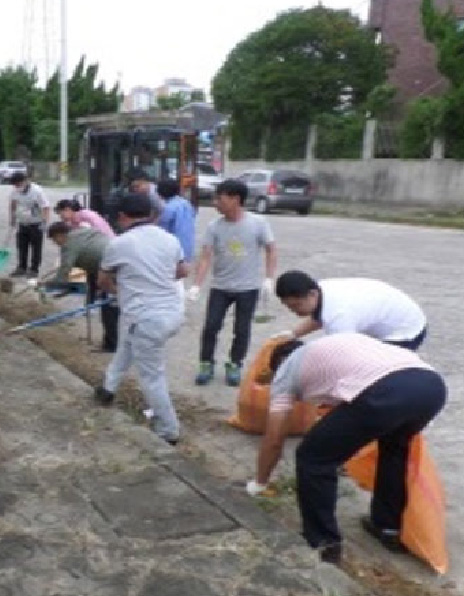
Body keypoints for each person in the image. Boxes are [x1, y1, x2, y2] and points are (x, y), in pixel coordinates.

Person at [248, 333, 447, 564]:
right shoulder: (333, 350)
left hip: (386, 390)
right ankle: (387, 527)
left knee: (314, 458)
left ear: (279, 363)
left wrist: (260, 483)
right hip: (431, 388)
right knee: (394, 451)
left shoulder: (285, 372)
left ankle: (323, 543)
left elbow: (274, 439)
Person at [93, 193, 187, 444]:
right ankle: (107, 389)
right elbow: (181, 271)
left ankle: (169, 430)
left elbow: (103, 281)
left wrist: (120, 290)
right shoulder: (170, 239)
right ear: (151, 215)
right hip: (172, 313)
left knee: (152, 376)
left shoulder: (119, 244)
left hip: (145, 318)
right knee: (126, 345)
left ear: (123, 217)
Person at [188, 178, 277, 387]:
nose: (215, 203)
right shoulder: (214, 227)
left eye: (219, 198)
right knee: (211, 326)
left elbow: (271, 249)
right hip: (220, 286)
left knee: (242, 329)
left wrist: (269, 279)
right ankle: (206, 363)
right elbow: (206, 256)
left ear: (235, 199)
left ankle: (235, 364)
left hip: (248, 288)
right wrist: (196, 285)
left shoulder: (257, 223)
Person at [274, 271, 428, 351]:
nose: (293, 311)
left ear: (312, 294)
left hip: (405, 331)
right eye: (289, 307)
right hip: (391, 314)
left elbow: (345, 354)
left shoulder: (339, 316)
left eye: (296, 306)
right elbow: (318, 317)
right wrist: (293, 334)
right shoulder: (320, 290)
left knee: (379, 374)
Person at [46, 222, 119, 352]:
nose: (55, 243)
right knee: (108, 301)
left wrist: (51, 285)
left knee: (109, 306)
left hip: (111, 268)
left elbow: (65, 268)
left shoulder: (69, 244)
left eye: (54, 239)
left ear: (60, 235)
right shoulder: (83, 231)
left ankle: (112, 344)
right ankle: (115, 339)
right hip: (109, 261)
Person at [156, 179, 197, 301]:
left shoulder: (167, 208)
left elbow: (162, 229)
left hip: (172, 249)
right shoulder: (186, 204)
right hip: (187, 248)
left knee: (171, 279)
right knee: (179, 279)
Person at [8, 171, 50, 279]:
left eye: (18, 184)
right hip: (23, 223)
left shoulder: (37, 191)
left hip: (36, 223)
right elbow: (13, 203)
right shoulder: (15, 190)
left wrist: (44, 222)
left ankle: (34, 269)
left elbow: (45, 207)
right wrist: (12, 217)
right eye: (15, 185)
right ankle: (21, 267)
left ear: (25, 181)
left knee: (36, 248)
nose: (17, 186)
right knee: (21, 246)